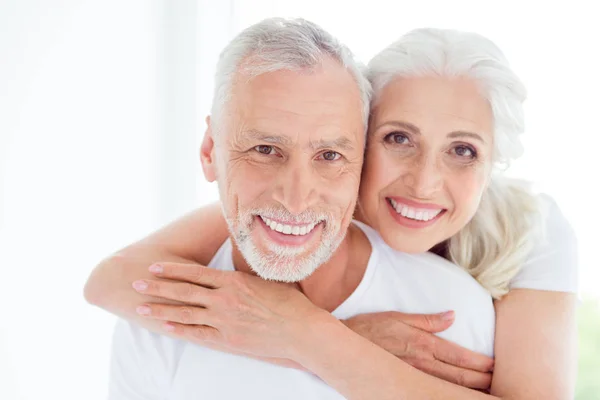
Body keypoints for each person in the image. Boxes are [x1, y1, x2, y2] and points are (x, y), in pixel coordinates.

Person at [86, 18, 578, 399]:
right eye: (399, 139)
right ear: (365, 142)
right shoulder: (290, 208)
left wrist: (309, 335)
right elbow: (108, 281)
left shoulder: (525, 243)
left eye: (464, 150)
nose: (425, 182)